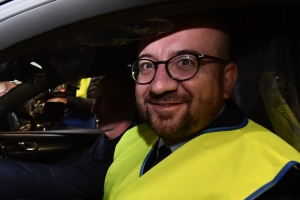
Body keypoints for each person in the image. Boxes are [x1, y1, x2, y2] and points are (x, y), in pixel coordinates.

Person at [103, 15, 300, 199]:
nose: (159, 86)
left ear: (226, 80)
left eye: (185, 62)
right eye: (147, 65)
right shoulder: (132, 138)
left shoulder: (276, 179)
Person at [0, 74, 136, 199]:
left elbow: (70, 180)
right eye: (95, 101)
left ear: (127, 104)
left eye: (103, 102)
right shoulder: (107, 138)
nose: (94, 109)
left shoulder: (132, 149)